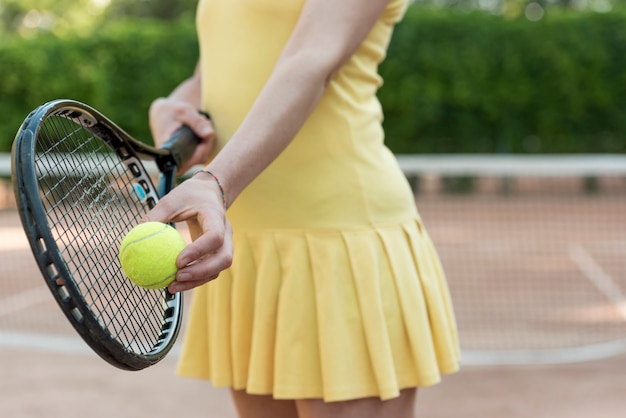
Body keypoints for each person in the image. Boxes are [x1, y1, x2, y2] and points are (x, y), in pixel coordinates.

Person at [146, 0, 460, 417]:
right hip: (248, 247)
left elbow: (311, 59)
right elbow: (213, 74)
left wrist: (215, 183)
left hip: (338, 246)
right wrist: (170, 110)